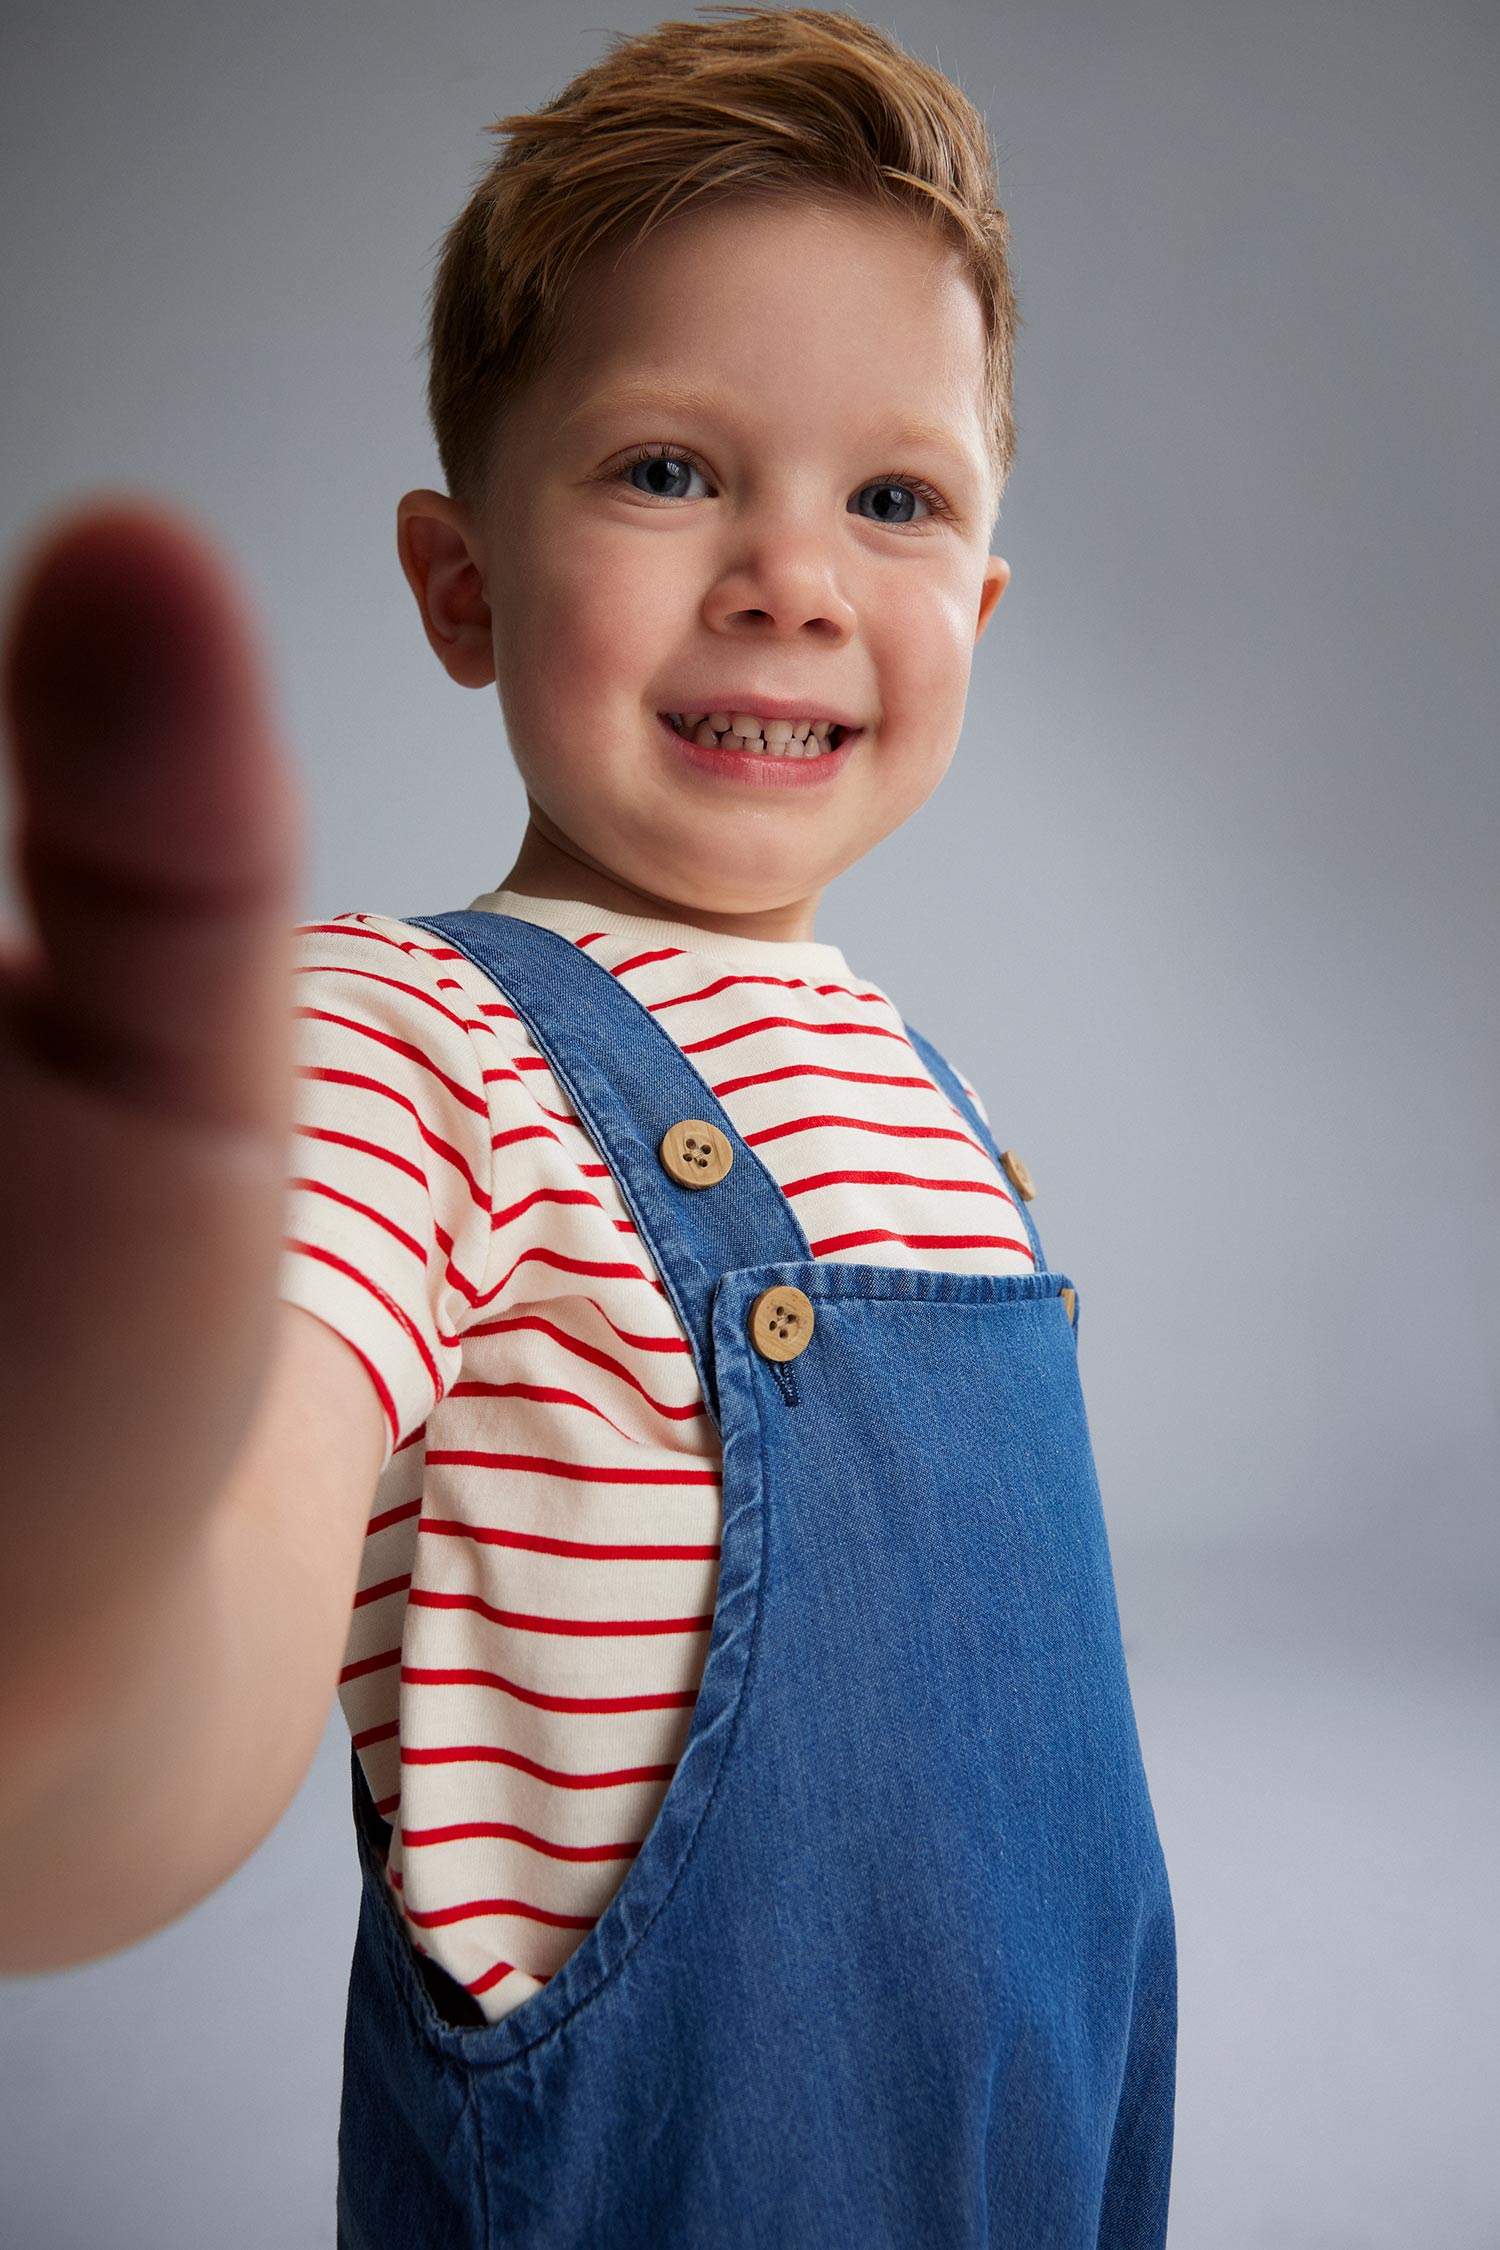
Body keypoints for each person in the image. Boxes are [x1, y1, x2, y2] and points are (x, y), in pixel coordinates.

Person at [0, 7, 1177, 2242]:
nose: (792, 576)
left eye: (895, 499)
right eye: (666, 469)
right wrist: (74, 1651)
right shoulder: (401, 1035)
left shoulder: (944, 1096)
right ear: (464, 583)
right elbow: (245, 1558)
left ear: (982, 608)